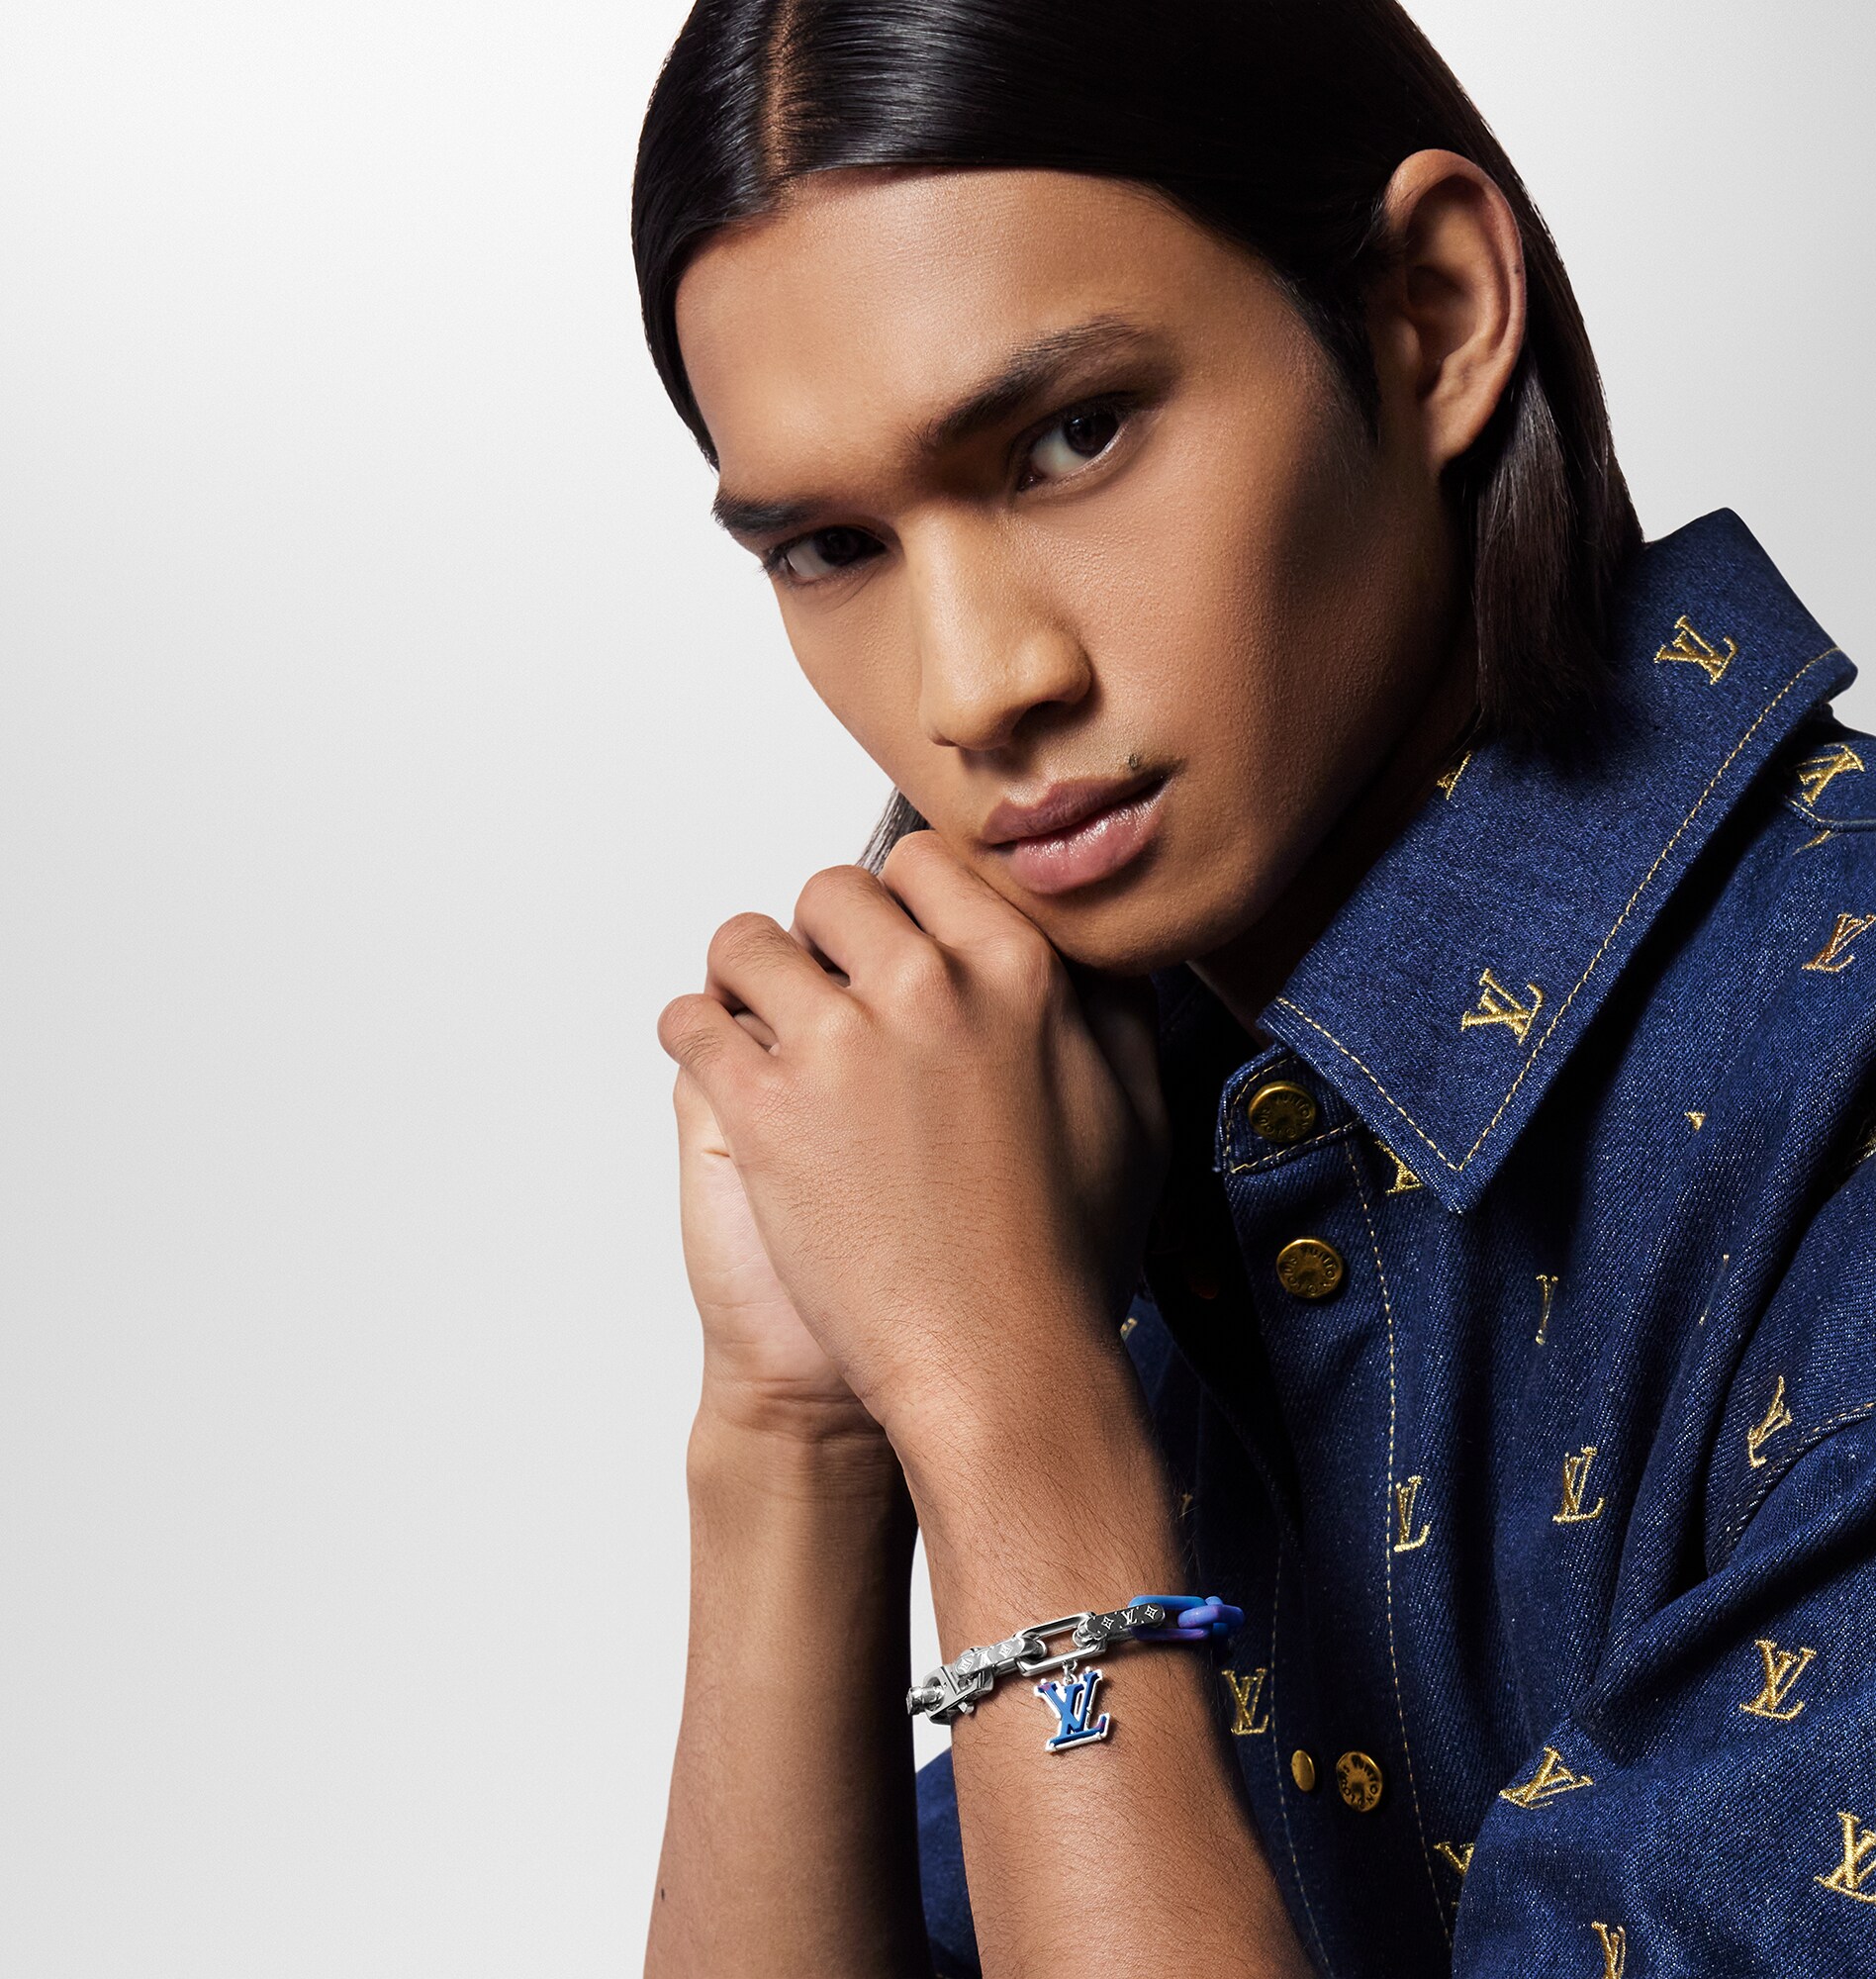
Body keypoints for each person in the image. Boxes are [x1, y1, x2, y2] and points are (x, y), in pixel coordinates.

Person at [628, 3, 1876, 1973]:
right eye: (832, 545)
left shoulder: (1831, 1085)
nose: (975, 687)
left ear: (1434, 314)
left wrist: (1007, 1409)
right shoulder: (1101, 1112)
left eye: (1072, 436)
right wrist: (796, 1432)